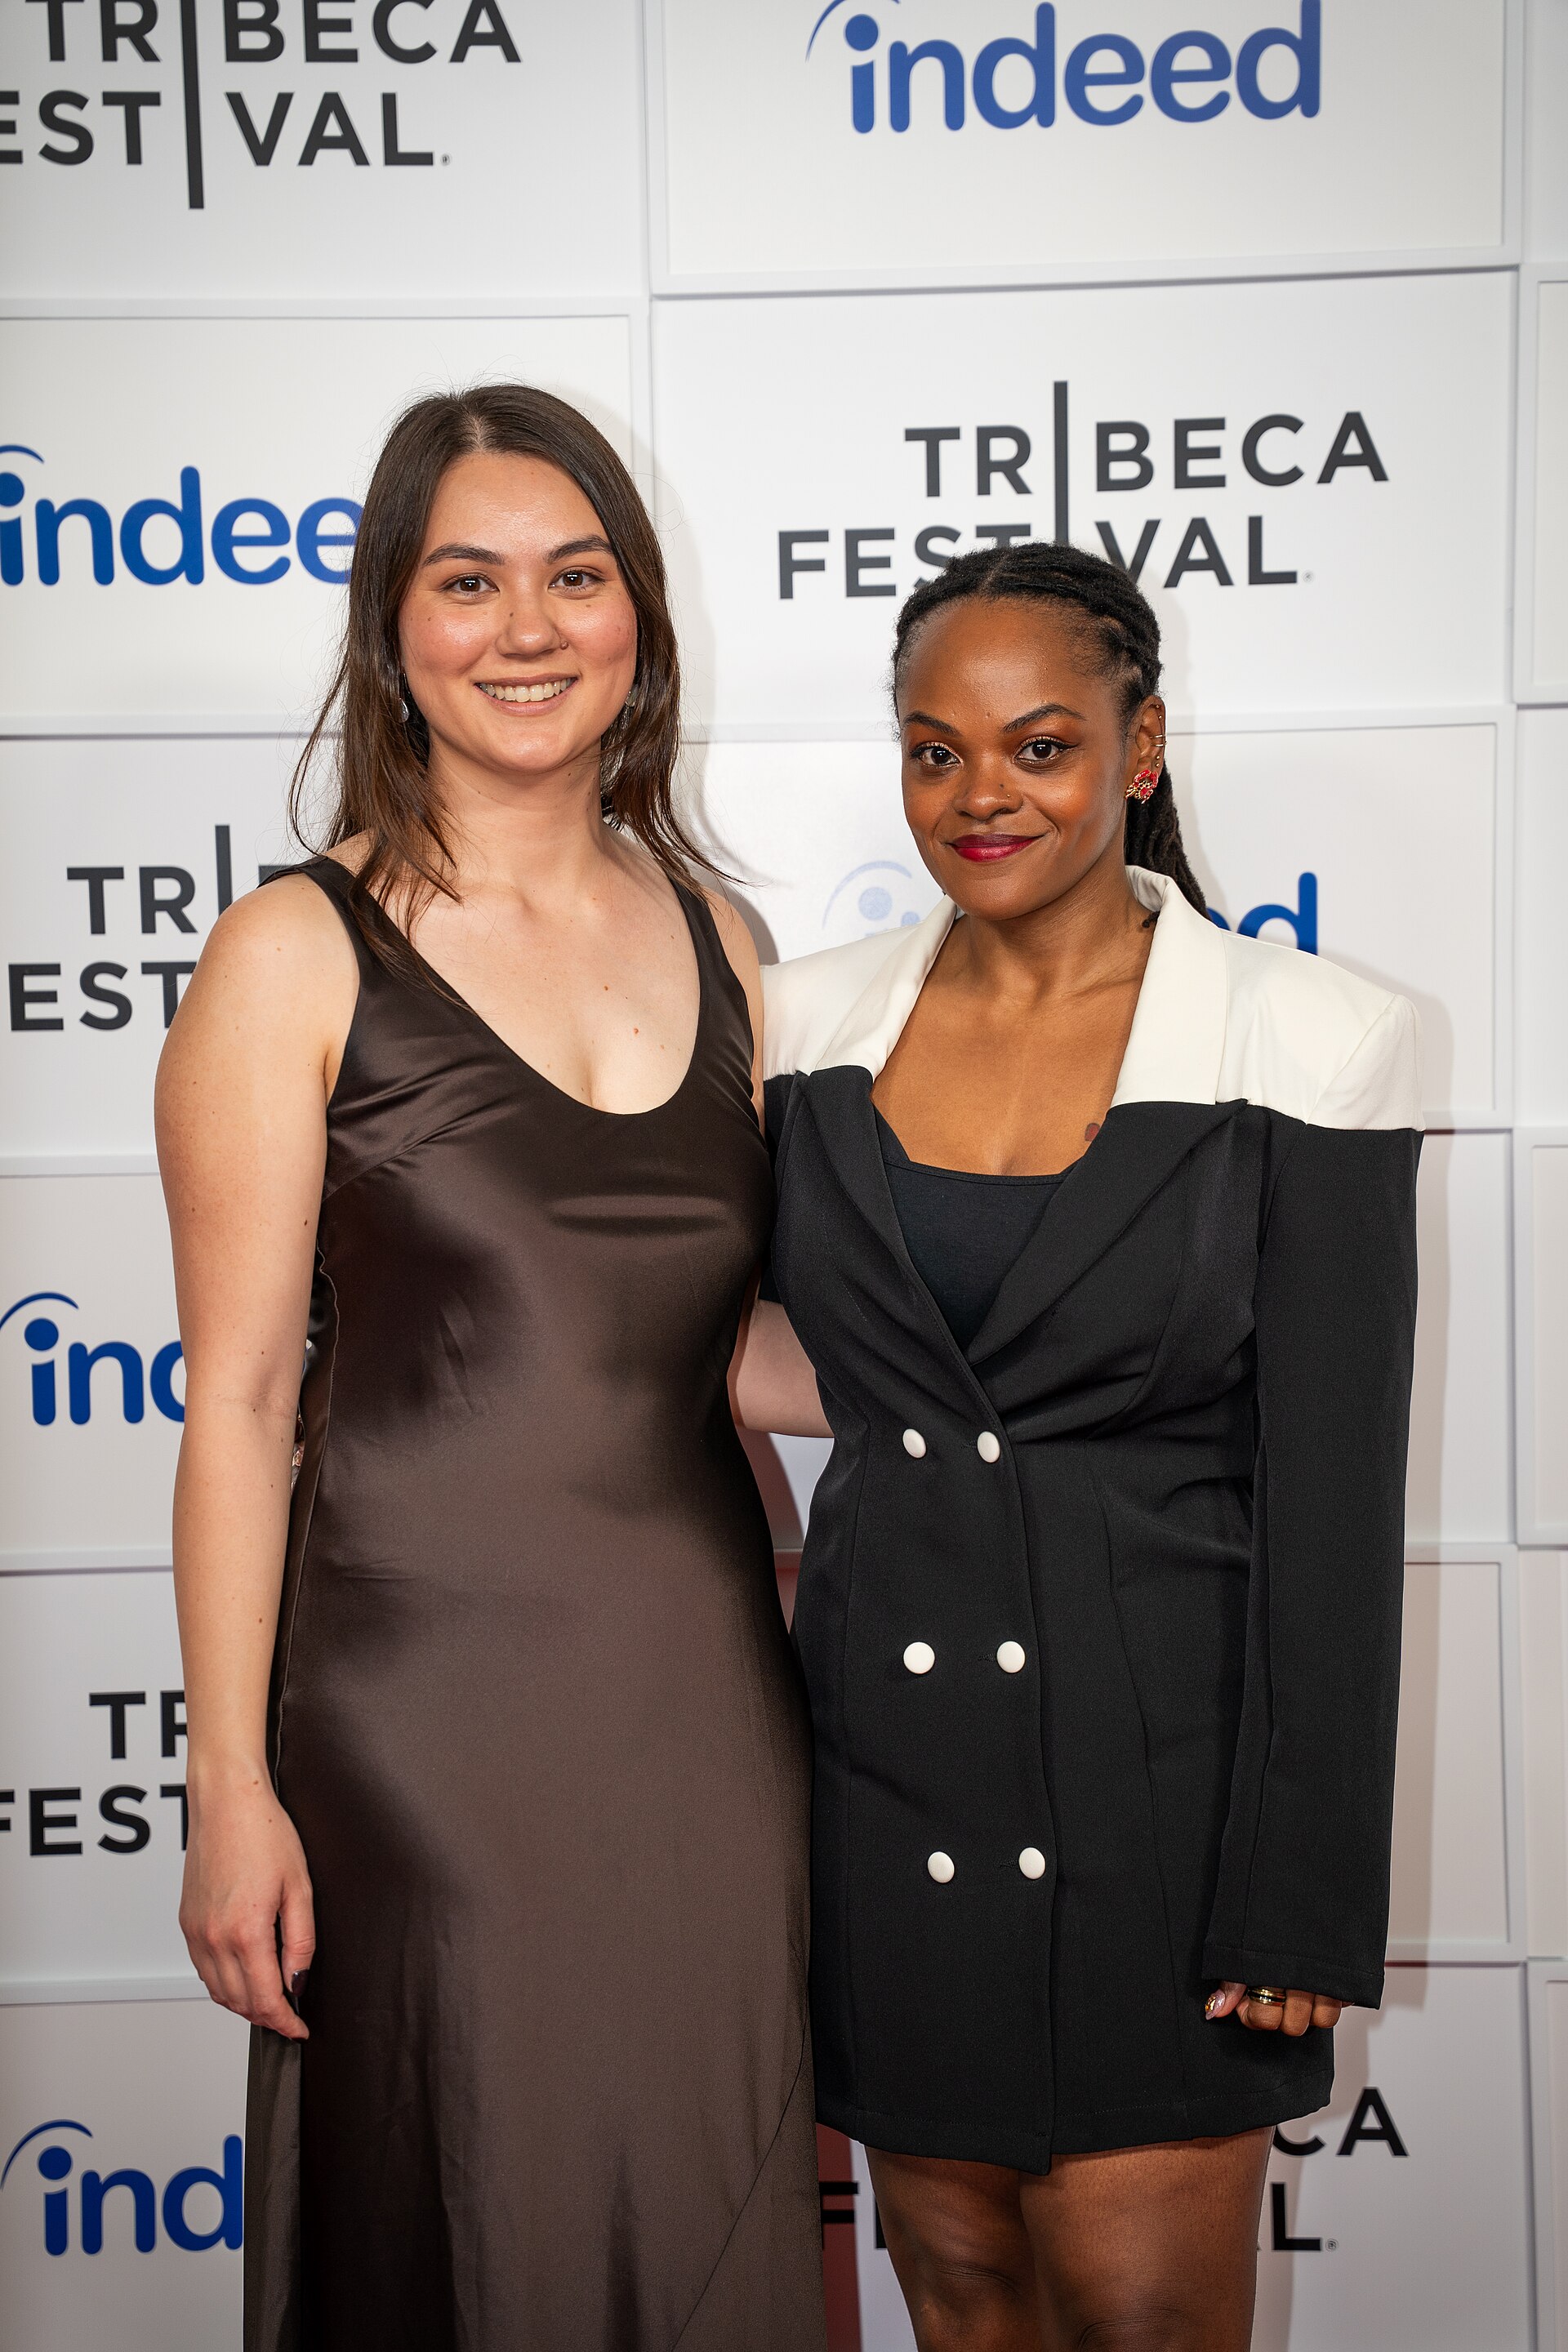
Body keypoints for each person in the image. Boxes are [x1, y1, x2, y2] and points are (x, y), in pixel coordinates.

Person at [156, 384, 824, 2352]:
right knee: (465, 2231)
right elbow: (240, 1405)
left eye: (575, 576)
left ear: (640, 619)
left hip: (705, 1717)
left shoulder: (725, 933)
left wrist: (1026, 1360)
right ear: (391, 624)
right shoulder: (293, 947)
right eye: (469, 582)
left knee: (701, 2220)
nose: (528, 630)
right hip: (414, 1729)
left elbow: (729, 1352)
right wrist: (225, 1787)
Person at [742, 541, 1421, 2350]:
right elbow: (748, 1353)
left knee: (1139, 2318)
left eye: (1040, 746)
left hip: (1167, 1812)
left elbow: (1339, 1512)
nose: (982, 797)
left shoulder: (1315, 1041)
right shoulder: (801, 1032)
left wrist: (1302, 1896)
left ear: (1141, 750)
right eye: (933, 749)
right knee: (958, 2297)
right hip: (889, 1781)